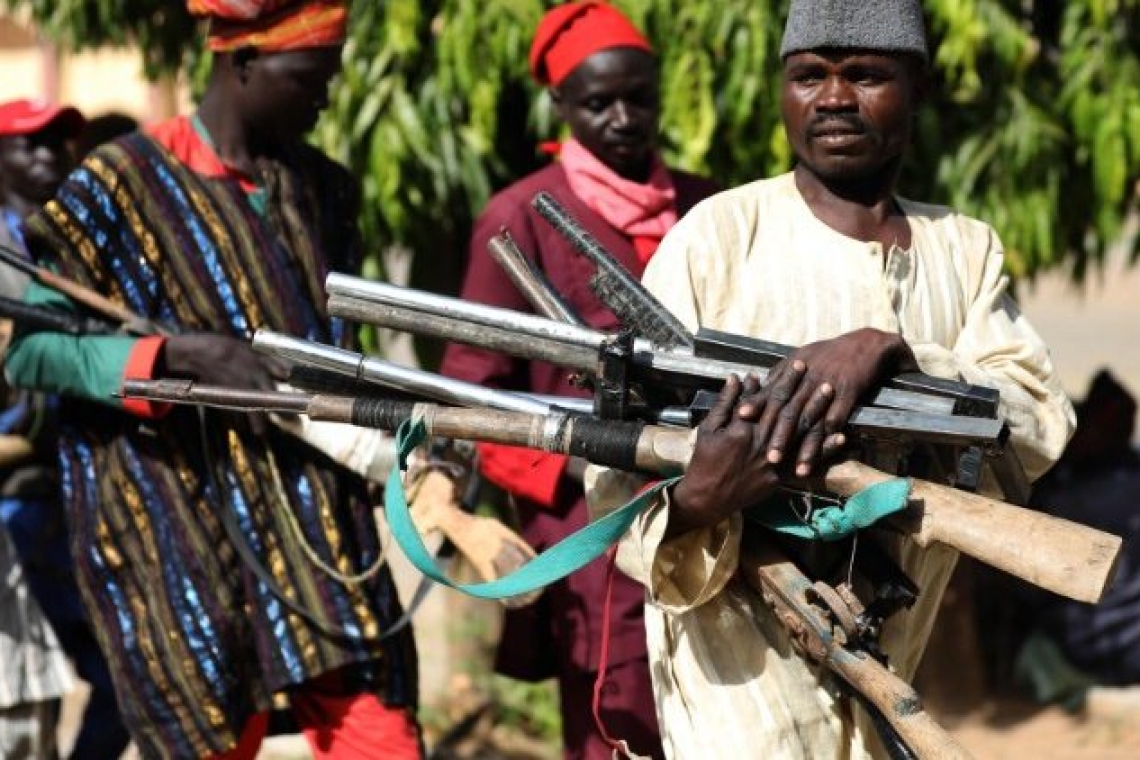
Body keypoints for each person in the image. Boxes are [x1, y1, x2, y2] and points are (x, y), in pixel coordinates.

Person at [586, 0, 1076, 757]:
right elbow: (616, 467)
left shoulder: (964, 250)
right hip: (737, 675)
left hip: (893, 658)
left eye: (867, 75)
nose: (835, 99)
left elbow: (1038, 421)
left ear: (920, 87)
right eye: (810, 75)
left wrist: (899, 354)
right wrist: (695, 499)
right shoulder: (716, 238)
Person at [3, 2, 421, 758]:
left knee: (380, 732)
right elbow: (33, 352)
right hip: (173, 525)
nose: (326, 100)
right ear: (244, 63)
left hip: (314, 519)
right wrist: (180, 356)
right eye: (310, 80)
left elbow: (341, 350)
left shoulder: (322, 189)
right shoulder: (118, 181)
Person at [440, 3, 717, 757]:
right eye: (599, 103)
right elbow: (473, 388)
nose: (624, 118)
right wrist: (575, 464)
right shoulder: (519, 218)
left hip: (720, 515)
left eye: (639, 97)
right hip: (596, 535)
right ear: (561, 106)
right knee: (615, 727)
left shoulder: (711, 208)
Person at [0, 98, 131, 760]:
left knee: (124, 681)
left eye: (60, 142)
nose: (50, 154)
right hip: (14, 504)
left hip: (83, 496)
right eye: (32, 143)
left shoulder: (84, 248)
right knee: (20, 705)